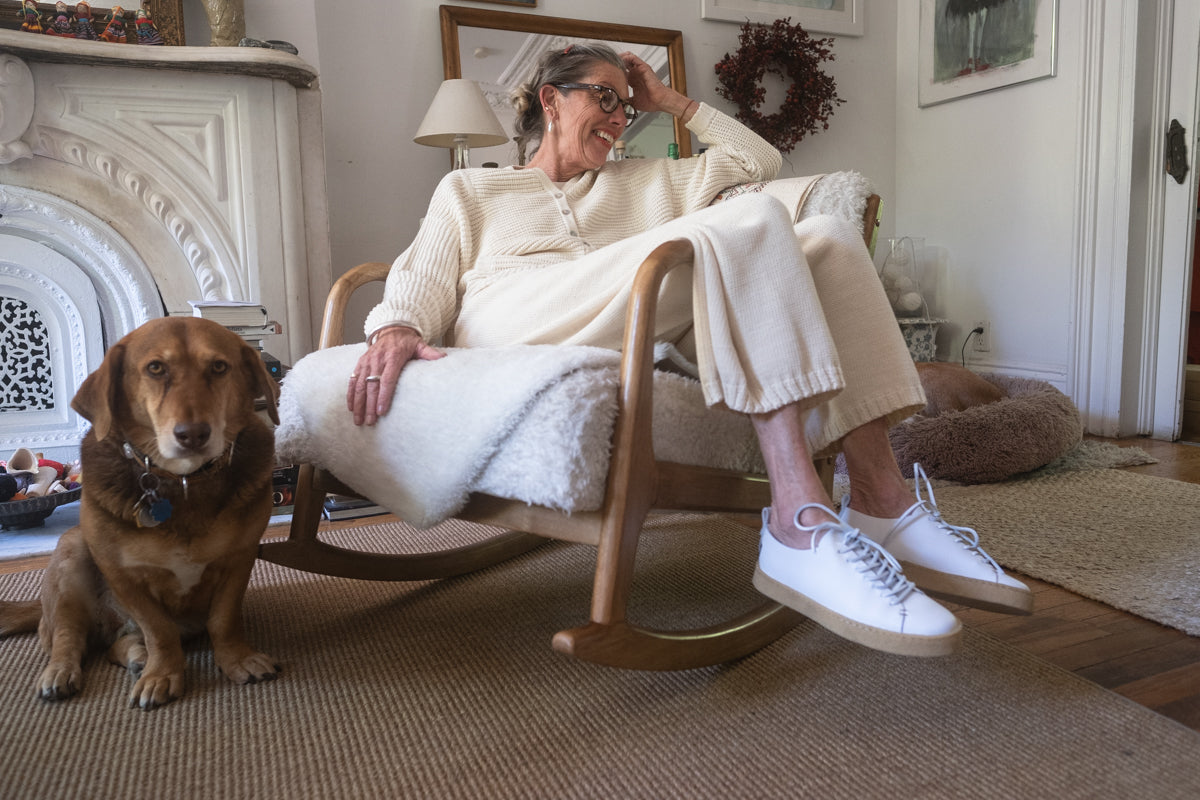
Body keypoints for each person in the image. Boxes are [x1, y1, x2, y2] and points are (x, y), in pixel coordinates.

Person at [347, 43, 1031, 657]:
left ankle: (882, 501)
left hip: (636, 309)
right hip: (516, 311)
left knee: (827, 235)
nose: (618, 118)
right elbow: (423, 276)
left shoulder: (648, 180)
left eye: (626, 103)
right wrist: (397, 326)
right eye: (603, 98)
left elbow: (758, 162)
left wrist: (669, 101)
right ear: (551, 101)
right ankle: (797, 518)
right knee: (756, 217)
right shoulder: (473, 187)